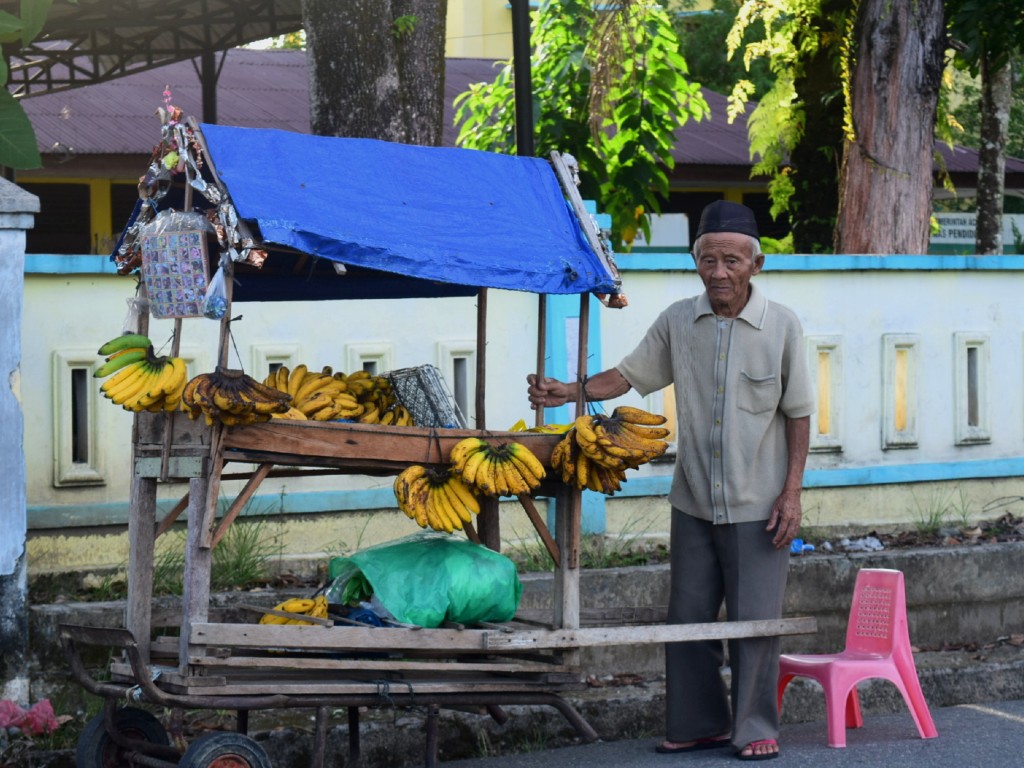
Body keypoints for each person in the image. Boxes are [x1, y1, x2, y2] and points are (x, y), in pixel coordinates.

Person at [527, 200, 813, 761]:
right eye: (708, 260)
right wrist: (570, 391)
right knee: (687, 619)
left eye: (731, 260)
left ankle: (754, 729)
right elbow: (630, 376)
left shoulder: (781, 326)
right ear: (696, 263)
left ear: (756, 264)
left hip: (761, 503)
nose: (719, 272)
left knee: (756, 624)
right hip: (694, 501)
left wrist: (793, 492)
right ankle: (699, 722)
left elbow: (799, 413)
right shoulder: (679, 320)